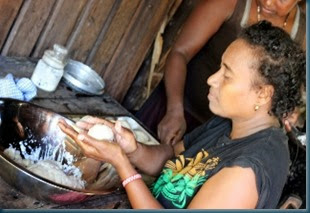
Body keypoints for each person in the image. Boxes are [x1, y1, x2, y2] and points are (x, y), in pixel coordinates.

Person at [59, 21, 306, 209]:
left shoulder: (248, 171)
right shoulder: (231, 123)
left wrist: (122, 165)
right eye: (219, 67)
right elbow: (170, 158)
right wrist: (131, 149)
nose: (212, 79)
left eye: (226, 75)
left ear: (263, 94)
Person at [135, 0, 306, 145]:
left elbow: (289, 89)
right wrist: (174, 110)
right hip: (181, 109)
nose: (268, 2)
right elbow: (180, 53)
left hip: (224, 139)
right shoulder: (230, 3)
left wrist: (291, 111)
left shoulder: (304, 34)